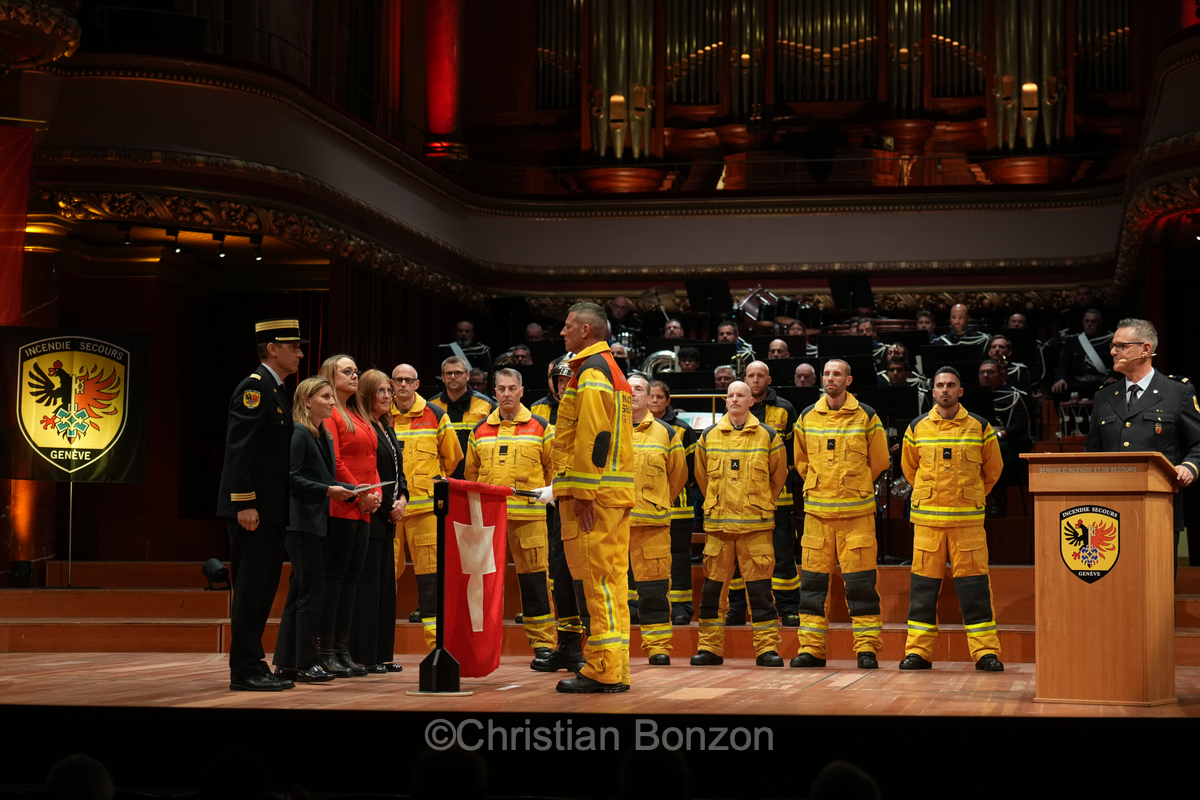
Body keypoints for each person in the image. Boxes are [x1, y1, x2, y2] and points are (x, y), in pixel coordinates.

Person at [217, 317, 305, 692]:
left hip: (270, 509)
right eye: (294, 347)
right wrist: (244, 503)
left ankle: (255, 662)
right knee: (251, 590)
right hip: (252, 509)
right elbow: (241, 451)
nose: (300, 353)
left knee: (265, 589)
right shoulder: (253, 390)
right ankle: (244, 669)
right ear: (272, 348)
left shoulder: (276, 390)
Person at [551, 301, 635, 693]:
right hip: (613, 494)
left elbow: (593, 436)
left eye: (568, 327)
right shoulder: (611, 370)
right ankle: (615, 667)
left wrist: (583, 493)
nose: (563, 333)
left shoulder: (593, 370)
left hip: (595, 498)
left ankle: (602, 668)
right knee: (612, 583)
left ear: (586, 330)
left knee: (598, 582)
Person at [900, 367, 1005, 672]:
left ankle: (986, 652)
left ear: (961, 391)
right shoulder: (917, 427)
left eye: (951, 385)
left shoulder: (980, 428)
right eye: (940, 385)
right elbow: (910, 470)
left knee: (975, 590)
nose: (945, 389)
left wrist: (969, 497)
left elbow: (992, 472)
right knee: (922, 591)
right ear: (932, 392)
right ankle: (918, 652)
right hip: (928, 524)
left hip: (966, 524)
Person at [793, 359, 889, 669]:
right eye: (827, 374)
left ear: (848, 380)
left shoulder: (867, 416)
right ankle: (811, 649)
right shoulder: (807, 416)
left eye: (837, 374)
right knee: (812, 587)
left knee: (861, 585)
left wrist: (855, 486)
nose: (830, 378)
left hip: (856, 515)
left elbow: (880, 462)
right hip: (817, 516)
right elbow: (801, 461)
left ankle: (867, 649)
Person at [1085, 318, 1200, 570]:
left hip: (1160, 510)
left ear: (1145, 349)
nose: (1113, 351)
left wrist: (1190, 467)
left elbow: (1198, 443)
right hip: (1108, 514)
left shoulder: (1177, 392)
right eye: (1113, 346)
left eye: (1121, 346)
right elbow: (1091, 451)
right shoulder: (1104, 396)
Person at [691, 380, 788, 667]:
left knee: (760, 592)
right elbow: (701, 477)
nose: (735, 399)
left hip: (755, 528)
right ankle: (709, 649)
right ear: (726, 401)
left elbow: (778, 477)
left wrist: (760, 504)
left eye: (741, 395)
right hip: (719, 529)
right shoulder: (708, 436)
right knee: (711, 594)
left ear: (751, 402)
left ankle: (767, 649)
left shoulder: (768, 436)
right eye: (730, 395)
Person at [465, 368, 557, 661]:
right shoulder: (479, 430)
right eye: (501, 388)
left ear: (521, 391)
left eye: (511, 388)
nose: (506, 393)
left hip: (529, 519)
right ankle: (478, 644)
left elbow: (554, 475)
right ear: (495, 392)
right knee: (483, 585)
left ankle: (543, 643)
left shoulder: (542, 427)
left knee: (534, 583)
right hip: (488, 521)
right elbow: (470, 477)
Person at [273, 376, 357, 684]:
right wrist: (328, 491)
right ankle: (305, 662)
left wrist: (356, 489)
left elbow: (327, 477)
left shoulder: (323, 435)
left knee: (301, 592)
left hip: (314, 522)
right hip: (300, 523)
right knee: (310, 593)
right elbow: (291, 478)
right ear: (307, 401)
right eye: (325, 396)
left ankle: (285, 663)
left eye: (332, 397)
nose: (332, 402)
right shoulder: (298, 433)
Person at [316, 355, 382, 678]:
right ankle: (325, 649)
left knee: (352, 580)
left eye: (356, 371)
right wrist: (361, 493)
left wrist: (377, 494)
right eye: (347, 371)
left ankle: (343, 650)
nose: (355, 375)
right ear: (330, 375)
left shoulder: (357, 413)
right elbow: (335, 462)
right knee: (335, 581)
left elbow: (372, 460)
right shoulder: (330, 415)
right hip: (341, 506)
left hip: (363, 509)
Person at [390, 363, 463, 648]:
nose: (403, 385)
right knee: (385, 576)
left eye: (408, 380)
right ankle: (380, 645)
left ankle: (437, 645)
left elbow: (453, 458)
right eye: (398, 380)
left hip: (426, 512)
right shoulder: (382, 415)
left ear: (417, 384)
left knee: (431, 578)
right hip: (391, 512)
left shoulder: (436, 414)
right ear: (391, 383)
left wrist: (431, 483)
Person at [726, 361, 800, 627]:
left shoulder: (784, 409)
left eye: (760, 376)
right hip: (739, 504)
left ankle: (789, 607)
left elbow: (792, 456)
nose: (755, 380)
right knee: (737, 558)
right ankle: (736, 610)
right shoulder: (733, 412)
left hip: (778, 500)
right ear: (744, 379)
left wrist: (773, 489)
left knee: (782, 555)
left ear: (769, 380)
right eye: (751, 376)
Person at [529, 357, 587, 673]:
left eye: (570, 381)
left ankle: (596, 651)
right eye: (560, 382)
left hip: (586, 509)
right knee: (560, 578)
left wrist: (559, 488)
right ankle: (568, 646)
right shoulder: (558, 418)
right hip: (561, 507)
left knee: (584, 580)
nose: (564, 387)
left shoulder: (590, 414)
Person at [627, 373, 688, 664]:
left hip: (651, 525)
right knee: (611, 593)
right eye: (628, 389)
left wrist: (658, 502)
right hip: (611, 525)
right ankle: (612, 649)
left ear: (650, 397)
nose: (633, 393)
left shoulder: (666, 432)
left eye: (638, 389)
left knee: (654, 591)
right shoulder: (607, 430)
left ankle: (658, 647)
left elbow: (678, 476)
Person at [351, 369, 409, 673]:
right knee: (369, 589)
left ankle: (382, 654)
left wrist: (403, 498)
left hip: (389, 516)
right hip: (372, 515)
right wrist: (389, 504)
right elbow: (368, 474)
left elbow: (398, 471)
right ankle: (366, 655)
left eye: (389, 391)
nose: (388, 396)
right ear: (367, 395)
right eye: (381, 391)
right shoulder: (364, 427)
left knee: (386, 589)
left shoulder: (386, 426)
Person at [648, 379, 700, 626]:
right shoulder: (630, 426)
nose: (654, 401)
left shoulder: (680, 429)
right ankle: (646, 605)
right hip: (645, 509)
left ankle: (681, 607)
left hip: (678, 507)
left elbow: (689, 469)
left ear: (668, 401)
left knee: (679, 558)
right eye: (651, 396)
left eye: (659, 397)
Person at [978, 359, 1032, 516]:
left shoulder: (1013, 396)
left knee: (999, 449)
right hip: (977, 442)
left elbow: (1020, 426)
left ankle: (997, 500)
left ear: (1001, 374)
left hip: (1006, 443)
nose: (985, 376)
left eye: (990, 372)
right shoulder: (970, 396)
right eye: (982, 372)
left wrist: (998, 434)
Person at [429, 355, 497, 479]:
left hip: (476, 477)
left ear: (467, 376)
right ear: (443, 378)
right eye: (449, 373)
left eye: (458, 373)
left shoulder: (487, 405)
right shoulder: (431, 406)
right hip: (442, 478)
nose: (453, 377)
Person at [1052, 309, 1114, 396]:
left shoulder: (1110, 340)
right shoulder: (1073, 341)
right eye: (1087, 321)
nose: (1089, 324)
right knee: (1058, 390)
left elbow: (1120, 362)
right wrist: (1061, 379)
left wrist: (1113, 376)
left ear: (1100, 323)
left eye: (1093, 322)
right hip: (1077, 383)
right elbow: (1063, 363)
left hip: (1100, 383)